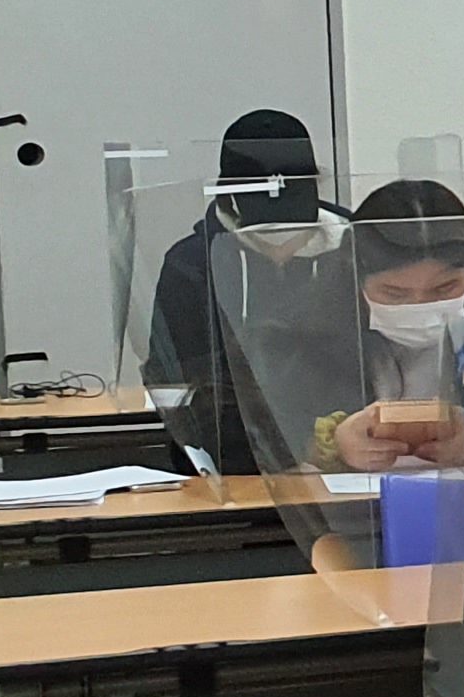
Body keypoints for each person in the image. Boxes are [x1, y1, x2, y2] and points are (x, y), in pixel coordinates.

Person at [141, 107, 356, 474]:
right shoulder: (192, 265)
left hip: (351, 460)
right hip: (234, 467)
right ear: (230, 197)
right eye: (264, 231)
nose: (281, 246)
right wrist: (275, 465)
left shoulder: (355, 249)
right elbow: (187, 387)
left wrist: (335, 448)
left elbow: (373, 368)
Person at [309, 179, 464, 472]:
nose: (419, 305)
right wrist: (334, 442)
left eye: (445, 288)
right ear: (356, 280)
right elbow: (282, 423)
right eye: (395, 293)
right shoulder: (315, 327)